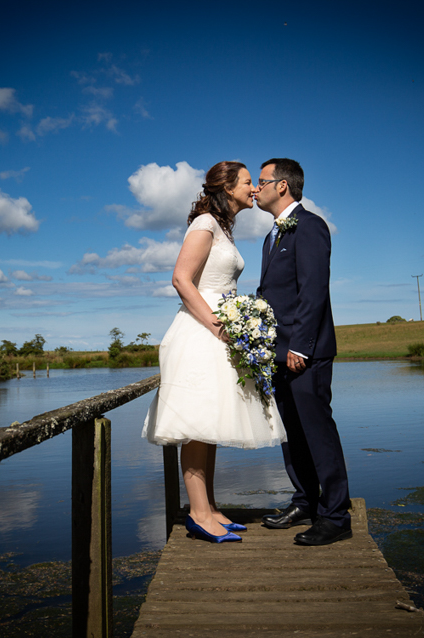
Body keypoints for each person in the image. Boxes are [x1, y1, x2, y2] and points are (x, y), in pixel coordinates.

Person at [143, 161, 286, 544]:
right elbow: (180, 279)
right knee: (195, 426)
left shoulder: (222, 228)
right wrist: (217, 325)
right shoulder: (204, 224)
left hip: (216, 331)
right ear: (227, 188)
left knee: (209, 423)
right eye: (246, 183)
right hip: (199, 332)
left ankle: (208, 506)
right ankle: (197, 514)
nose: (254, 189)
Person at [255, 158, 353, 546]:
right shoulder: (271, 236)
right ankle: (305, 501)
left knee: (316, 432)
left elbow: (313, 291)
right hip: (277, 353)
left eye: (261, 181)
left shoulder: (310, 226)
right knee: (291, 434)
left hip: (304, 353)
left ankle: (335, 516)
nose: (254, 189)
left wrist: (300, 346)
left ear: (282, 186)